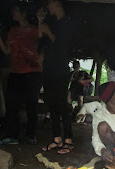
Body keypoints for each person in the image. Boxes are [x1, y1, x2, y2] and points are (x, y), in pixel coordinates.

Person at [0, 1, 41, 145]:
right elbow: (7, 51)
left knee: (31, 104)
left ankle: (30, 134)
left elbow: (42, 48)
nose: (13, 13)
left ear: (23, 13)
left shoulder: (34, 30)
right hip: (15, 72)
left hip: (32, 72)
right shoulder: (12, 31)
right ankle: (12, 136)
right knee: (11, 104)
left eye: (15, 11)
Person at [39, 0, 75, 154]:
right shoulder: (52, 23)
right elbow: (40, 42)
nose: (48, 6)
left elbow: (62, 47)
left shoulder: (67, 23)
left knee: (61, 104)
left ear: (58, 4)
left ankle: (68, 139)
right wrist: (41, 22)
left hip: (61, 70)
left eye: (50, 3)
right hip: (49, 69)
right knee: (51, 105)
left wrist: (48, 32)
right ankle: (56, 138)